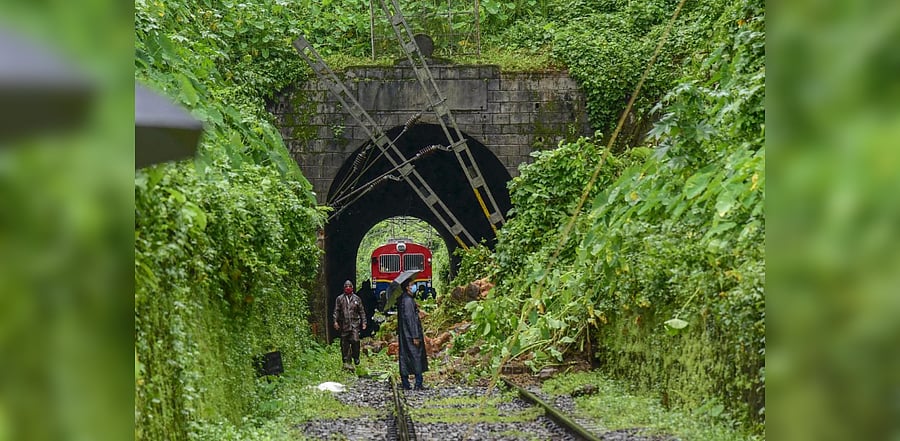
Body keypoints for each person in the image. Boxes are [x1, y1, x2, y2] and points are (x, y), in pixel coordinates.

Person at [397, 279, 428, 390]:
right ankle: (418, 383)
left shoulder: (404, 299)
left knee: (405, 358)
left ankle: (406, 383)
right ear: (407, 287)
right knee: (416, 357)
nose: (414, 286)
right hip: (411, 335)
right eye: (412, 284)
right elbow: (411, 319)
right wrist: (415, 335)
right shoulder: (408, 301)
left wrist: (415, 307)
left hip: (405, 334)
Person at [333, 280, 366, 370]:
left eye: (349, 286)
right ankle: (345, 360)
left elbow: (361, 311)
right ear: (344, 288)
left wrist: (364, 322)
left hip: (354, 324)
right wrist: (335, 321)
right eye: (346, 286)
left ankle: (356, 356)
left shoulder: (357, 299)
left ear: (352, 288)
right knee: (344, 343)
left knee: (355, 340)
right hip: (344, 324)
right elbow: (336, 311)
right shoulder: (340, 299)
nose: (348, 288)